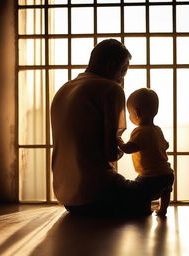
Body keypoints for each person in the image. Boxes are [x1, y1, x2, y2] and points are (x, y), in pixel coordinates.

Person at [51, 39, 152, 217]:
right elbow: (111, 154)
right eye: (123, 71)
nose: (122, 78)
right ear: (112, 64)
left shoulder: (64, 89)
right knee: (148, 192)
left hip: (66, 198)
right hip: (96, 193)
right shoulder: (110, 88)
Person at [117, 88, 174, 216]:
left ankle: (144, 210)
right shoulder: (157, 130)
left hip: (150, 176)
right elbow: (166, 145)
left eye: (129, 113)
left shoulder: (139, 131)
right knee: (166, 192)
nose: (130, 116)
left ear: (137, 113)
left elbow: (128, 149)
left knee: (140, 193)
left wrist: (118, 141)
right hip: (167, 174)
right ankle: (163, 209)